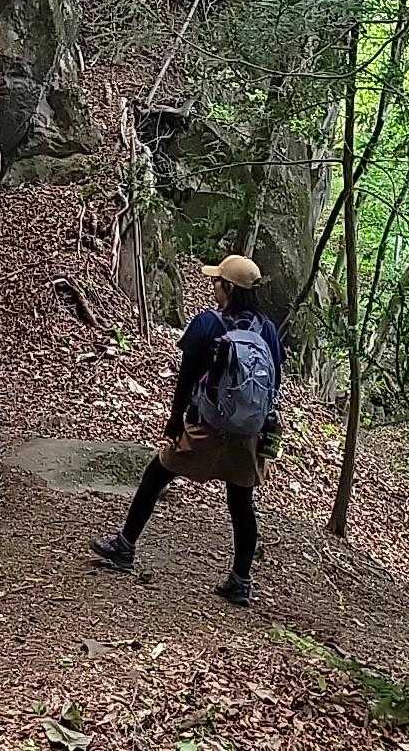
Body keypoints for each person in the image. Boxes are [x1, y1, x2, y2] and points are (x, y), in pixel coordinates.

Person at [89, 254, 285, 606]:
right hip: (247, 435)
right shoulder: (267, 330)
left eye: (217, 281)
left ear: (229, 288)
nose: (213, 286)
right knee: (241, 502)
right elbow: (274, 384)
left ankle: (124, 546)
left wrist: (175, 418)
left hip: (206, 427)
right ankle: (240, 581)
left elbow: (187, 376)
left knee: (156, 474)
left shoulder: (208, 324)